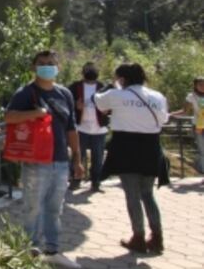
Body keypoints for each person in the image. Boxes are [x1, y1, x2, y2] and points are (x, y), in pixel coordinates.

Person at [5, 50, 84, 269]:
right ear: (34, 67)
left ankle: (52, 249)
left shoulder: (64, 94)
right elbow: (9, 117)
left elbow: (71, 128)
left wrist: (76, 159)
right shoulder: (26, 93)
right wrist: (34, 114)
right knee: (33, 207)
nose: (47, 67)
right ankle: (29, 251)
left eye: (51, 63)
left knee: (55, 207)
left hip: (60, 160)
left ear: (57, 66)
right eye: (42, 63)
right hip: (36, 160)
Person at [96, 63, 169, 254]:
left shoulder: (116, 94)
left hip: (126, 147)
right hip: (151, 148)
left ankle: (138, 237)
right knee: (148, 194)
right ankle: (157, 237)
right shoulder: (157, 96)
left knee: (132, 195)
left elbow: (98, 102)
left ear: (122, 79)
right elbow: (164, 120)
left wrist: (110, 86)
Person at [67, 62, 111, 192]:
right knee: (78, 156)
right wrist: (76, 105)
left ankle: (96, 182)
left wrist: (107, 111)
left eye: (93, 69)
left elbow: (112, 106)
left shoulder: (104, 87)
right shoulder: (75, 87)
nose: (90, 71)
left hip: (99, 128)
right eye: (88, 69)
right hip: (81, 128)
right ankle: (75, 180)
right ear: (83, 72)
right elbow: (67, 103)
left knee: (98, 157)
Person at [185, 76, 204, 175]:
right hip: (198, 125)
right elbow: (185, 111)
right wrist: (170, 115)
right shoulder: (191, 96)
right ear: (195, 85)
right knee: (202, 150)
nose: (202, 86)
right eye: (200, 84)